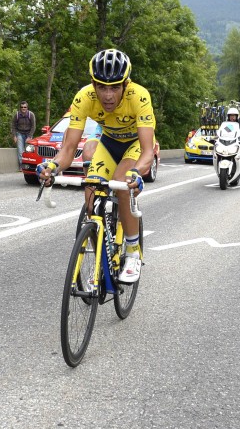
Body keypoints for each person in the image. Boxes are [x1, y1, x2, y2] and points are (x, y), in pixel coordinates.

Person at [37, 48, 156, 284]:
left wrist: (137, 172)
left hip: (134, 145)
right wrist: (52, 166)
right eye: (102, 87)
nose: (108, 95)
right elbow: (69, 149)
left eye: (115, 87)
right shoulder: (84, 97)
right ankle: (101, 255)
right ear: (93, 84)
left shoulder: (139, 96)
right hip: (109, 142)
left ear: (126, 84)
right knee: (91, 196)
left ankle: (132, 251)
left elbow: (147, 151)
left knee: (122, 183)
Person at [11, 100, 36, 167]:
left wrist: (30, 136)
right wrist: (14, 136)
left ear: (27, 108)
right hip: (19, 133)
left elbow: (33, 126)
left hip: (28, 134)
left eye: (25, 107)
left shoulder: (31, 115)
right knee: (20, 150)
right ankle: (21, 166)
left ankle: (29, 165)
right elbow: (13, 125)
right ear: (20, 108)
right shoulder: (17, 115)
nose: (23, 108)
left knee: (28, 150)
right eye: (22, 107)